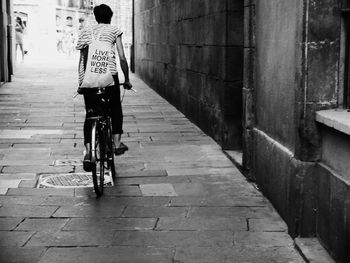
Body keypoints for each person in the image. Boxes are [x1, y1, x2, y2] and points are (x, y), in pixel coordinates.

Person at [76, 4, 132, 171]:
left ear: (95, 16)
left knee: (91, 114)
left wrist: (81, 84)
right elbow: (122, 58)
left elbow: (82, 60)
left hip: (89, 79)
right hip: (109, 78)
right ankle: (115, 143)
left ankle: (88, 153)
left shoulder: (85, 32)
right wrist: (127, 79)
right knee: (115, 108)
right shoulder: (114, 31)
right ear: (110, 16)